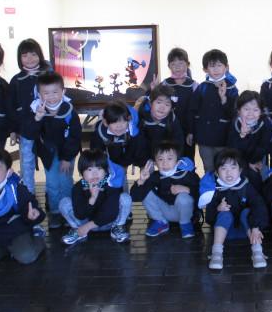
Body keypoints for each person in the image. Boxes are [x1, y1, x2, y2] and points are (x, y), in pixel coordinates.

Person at [21, 71, 82, 229]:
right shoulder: (36, 110)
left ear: (63, 91)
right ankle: (55, 212)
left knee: (66, 181)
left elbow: (75, 136)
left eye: (55, 92)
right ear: (39, 95)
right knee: (52, 183)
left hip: (66, 154)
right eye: (46, 93)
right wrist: (37, 118)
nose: (51, 96)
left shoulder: (69, 111)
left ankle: (68, 210)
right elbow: (29, 134)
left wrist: (67, 158)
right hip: (48, 154)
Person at [198, 149, 268, 270]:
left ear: (240, 170)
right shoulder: (214, 190)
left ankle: (257, 251)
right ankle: (216, 253)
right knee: (225, 213)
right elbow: (208, 218)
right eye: (223, 168)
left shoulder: (246, 186)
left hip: (247, 232)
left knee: (247, 212)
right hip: (225, 233)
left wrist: (256, 226)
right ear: (217, 173)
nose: (228, 172)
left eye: (233, 168)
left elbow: (259, 206)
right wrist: (217, 209)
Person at [90, 100, 148, 240]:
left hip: (126, 155)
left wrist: (127, 165)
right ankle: (110, 208)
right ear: (105, 122)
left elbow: (138, 150)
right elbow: (96, 152)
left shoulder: (134, 131)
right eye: (115, 122)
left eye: (123, 121)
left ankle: (125, 210)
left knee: (123, 180)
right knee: (112, 182)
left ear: (128, 119)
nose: (119, 126)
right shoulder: (99, 132)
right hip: (108, 159)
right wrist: (106, 167)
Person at [59, 149, 132, 245]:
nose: (95, 174)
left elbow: (110, 213)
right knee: (64, 202)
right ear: (81, 172)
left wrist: (88, 226)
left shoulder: (111, 184)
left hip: (109, 223)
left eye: (99, 168)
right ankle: (78, 231)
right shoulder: (78, 187)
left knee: (125, 198)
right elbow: (80, 214)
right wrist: (92, 199)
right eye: (89, 169)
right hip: (83, 224)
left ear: (105, 171)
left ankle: (117, 228)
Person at [130, 140, 200, 238]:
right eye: (160, 159)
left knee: (184, 197)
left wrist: (187, 189)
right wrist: (141, 180)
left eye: (169, 158)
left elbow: (201, 195)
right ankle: (161, 222)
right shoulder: (154, 176)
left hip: (185, 214)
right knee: (145, 192)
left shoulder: (188, 175)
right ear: (155, 162)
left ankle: (186, 224)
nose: (165, 163)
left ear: (178, 161)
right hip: (163, 213)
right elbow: (135, 197)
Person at [8, 38, 51, 194]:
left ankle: (51, 195)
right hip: (25, 129)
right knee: (27, 164)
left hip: (48, 129)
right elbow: (11, 108)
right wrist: (13, 130)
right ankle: (29, 196)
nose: (29, 59)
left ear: (40, 55)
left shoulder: (49, 76)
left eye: (33, 54)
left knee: (50, 163)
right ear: (19, 58)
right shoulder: (16, 80)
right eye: (25, 55)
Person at [187, 49, 239, 173]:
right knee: (208, 168)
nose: (216, 69)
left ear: (226, 67)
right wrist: (191, 131)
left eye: (219, 65)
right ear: (205, 69)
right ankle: (208, 186)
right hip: (204, 138)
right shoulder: (202, 87)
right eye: (212, 66)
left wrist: (224, 99)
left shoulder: (232, 88)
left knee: (223, 168)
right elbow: (192, 111)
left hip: (223, 138)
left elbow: (234, 113)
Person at [157, 47, 198, 159]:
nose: (177, 67)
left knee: (188, 160)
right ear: (169, 66)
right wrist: (152, 90)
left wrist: (192, 132)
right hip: (168, 130)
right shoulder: (165, 84)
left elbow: (196, 111)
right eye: (173, 64)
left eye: (181, 63)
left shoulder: (194, 85)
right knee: (169, 158)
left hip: (187, 130)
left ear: (187, 64)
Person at [227, 90, 272, 186]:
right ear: (239, 110)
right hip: (238, 160)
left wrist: (252, 162)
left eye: (255, 110)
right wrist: (242, 135)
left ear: (261, 111)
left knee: (259, 178)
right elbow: (232, 150)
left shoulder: (266, 125)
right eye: (246, 109)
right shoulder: (235, 124)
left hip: (257, 159)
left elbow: (262, 148)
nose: (250, 113)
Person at [137, 83, 185, 157]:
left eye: (167, 104)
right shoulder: (142, 117)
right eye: (159, 102)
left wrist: (172, 158)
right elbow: (137, 143)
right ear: (151, 103)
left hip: (164, 155)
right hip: (144, 155)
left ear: (171, 109)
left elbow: (178, 143)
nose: (162, 107)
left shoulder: (172, 120)